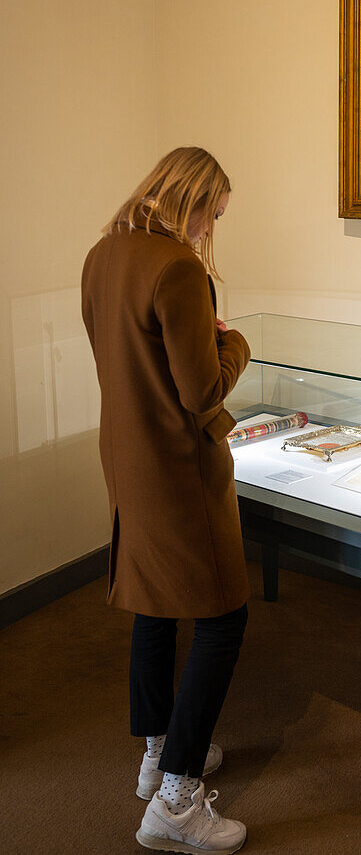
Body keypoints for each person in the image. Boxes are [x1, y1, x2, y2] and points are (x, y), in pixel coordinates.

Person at [81, 147, 251, 853]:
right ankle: (178, 800)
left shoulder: (104, 253)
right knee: (222, 616)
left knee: (153, 603)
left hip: (128, 460)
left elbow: (132, 359)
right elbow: (202, 390)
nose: (212, 227)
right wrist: (234, 343)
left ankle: (157, 754)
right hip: (181, 471)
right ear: (193, 197)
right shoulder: (178, 267)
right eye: (213, 212)